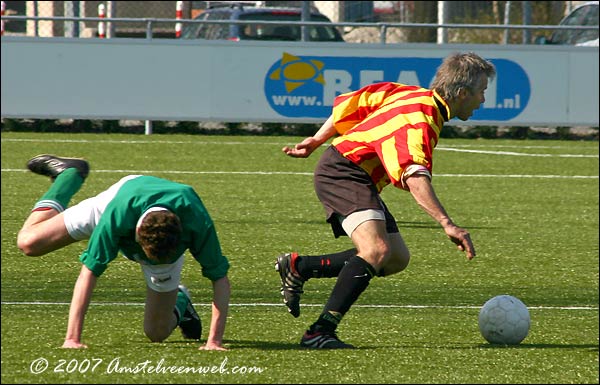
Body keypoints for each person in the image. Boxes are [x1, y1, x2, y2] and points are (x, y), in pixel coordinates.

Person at [276, 52, 495, 349]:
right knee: (376, 250)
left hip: (353, 173)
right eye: (481, 91)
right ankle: (319, 331)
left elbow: (354, 103)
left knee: (394, 257)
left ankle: (301, 266)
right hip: (343, 172)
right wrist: (447, 224)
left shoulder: (410, 94)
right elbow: (415, 177)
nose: (483, 99)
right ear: (461, 93)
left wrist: (316, 140)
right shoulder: (420, 121)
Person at [17, 154, 231, 351]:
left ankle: (180, 300)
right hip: (118, 200)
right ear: (136, 233)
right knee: (29, 243)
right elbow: (89, 273)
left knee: (156, 333)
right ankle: (69, 175)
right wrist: (72, 338)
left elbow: (219, 277)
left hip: (158, 230)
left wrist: (215, 341)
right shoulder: (114, 218)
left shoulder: (196, 220)